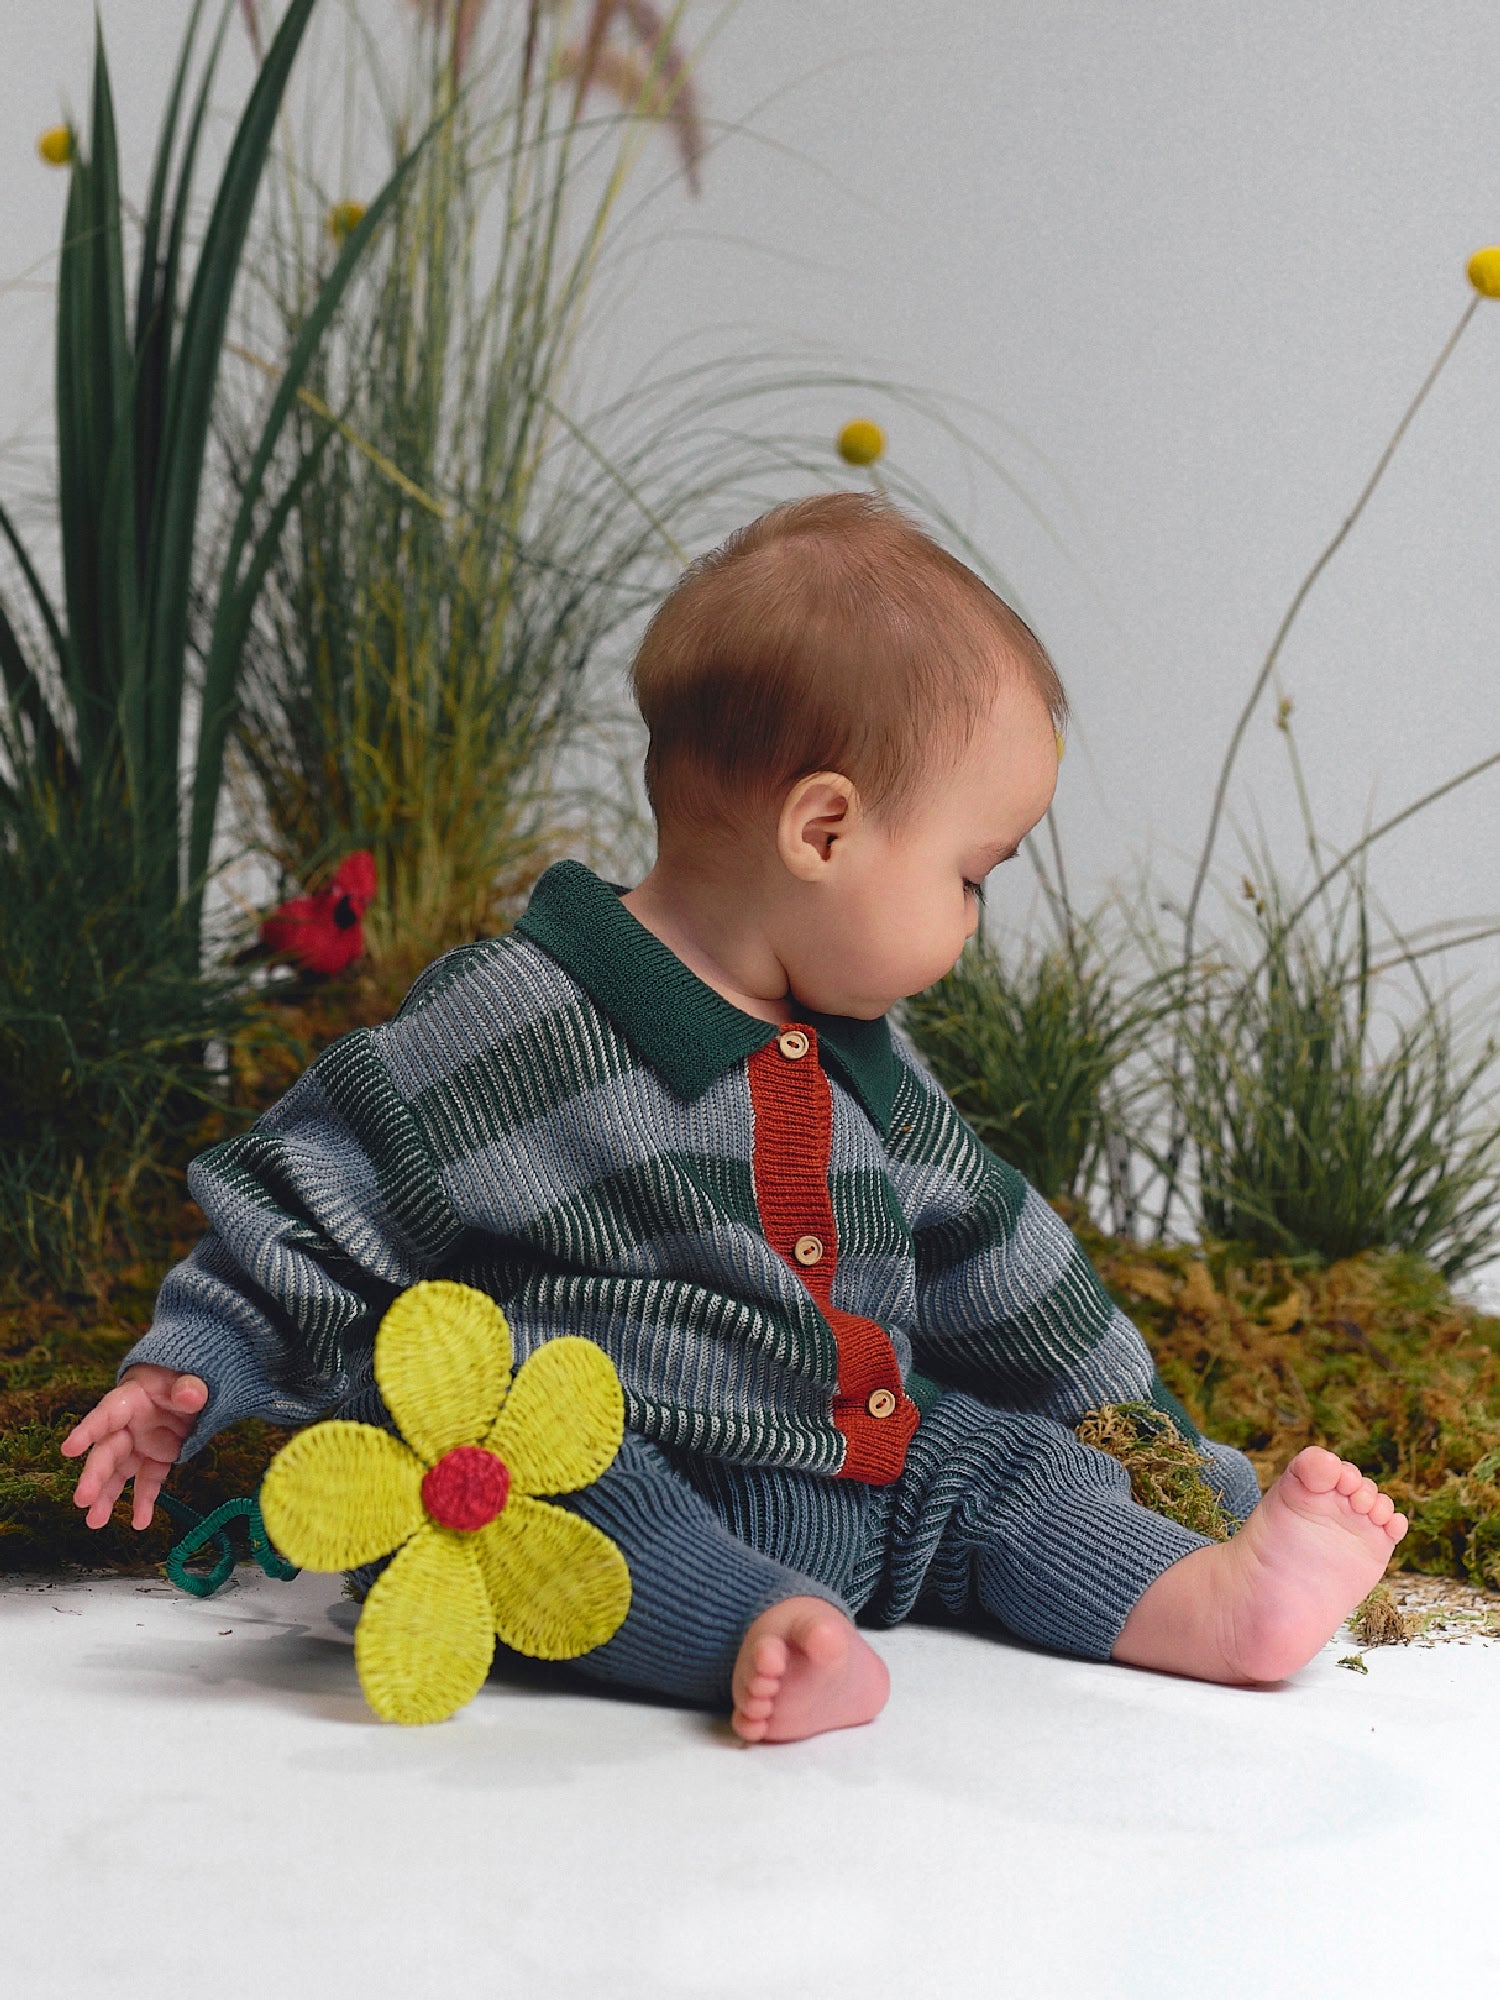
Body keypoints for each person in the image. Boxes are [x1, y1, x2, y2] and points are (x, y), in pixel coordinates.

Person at [60, 492, 1407, 1744]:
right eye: (969, 876)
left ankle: (1206, 1603)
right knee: (531, 1502)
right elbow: (319, 1194)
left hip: (863, 1468)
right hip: (627, 1456)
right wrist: (194, 1364)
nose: (970, 924)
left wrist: (1168, 1457)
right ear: (823, 832)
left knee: (1002, 1472)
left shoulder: (871, 1074)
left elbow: (1013, 1272)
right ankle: (755, 1632)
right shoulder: (527, 1015)